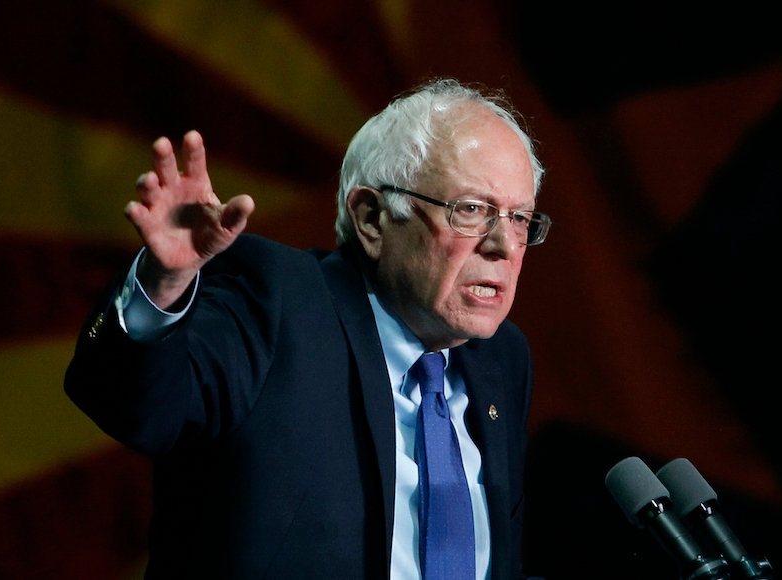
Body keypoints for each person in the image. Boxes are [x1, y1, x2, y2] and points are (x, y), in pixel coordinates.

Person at [65, 78, 550, 579]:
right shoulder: (278, 300)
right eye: (471, 210)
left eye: (520, 219)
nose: (503, 245)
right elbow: (132, 407)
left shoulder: (501, 359)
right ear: (372, 219)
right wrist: (163, 285)